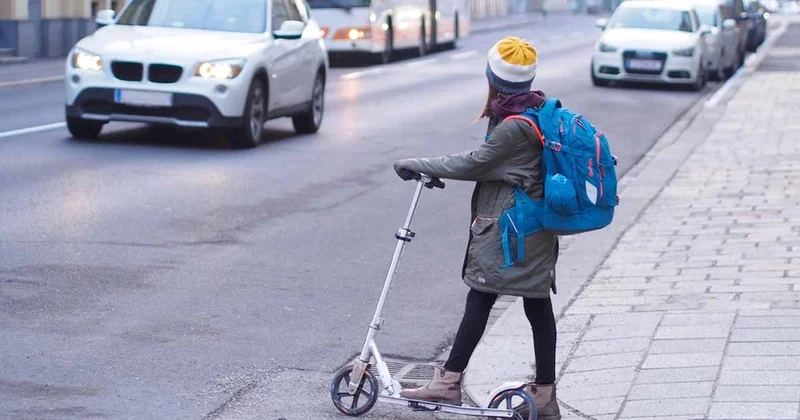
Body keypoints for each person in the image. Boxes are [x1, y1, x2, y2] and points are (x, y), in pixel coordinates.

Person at [392, 36, 560, 420]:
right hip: (532, 226)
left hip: (513, 228)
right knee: (534, 303)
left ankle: (449, 383)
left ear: (493, 78)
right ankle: (546, 394)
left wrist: (416, 163)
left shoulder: (513, 127)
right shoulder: (532, 109)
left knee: (482, 294)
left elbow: (472, 164)